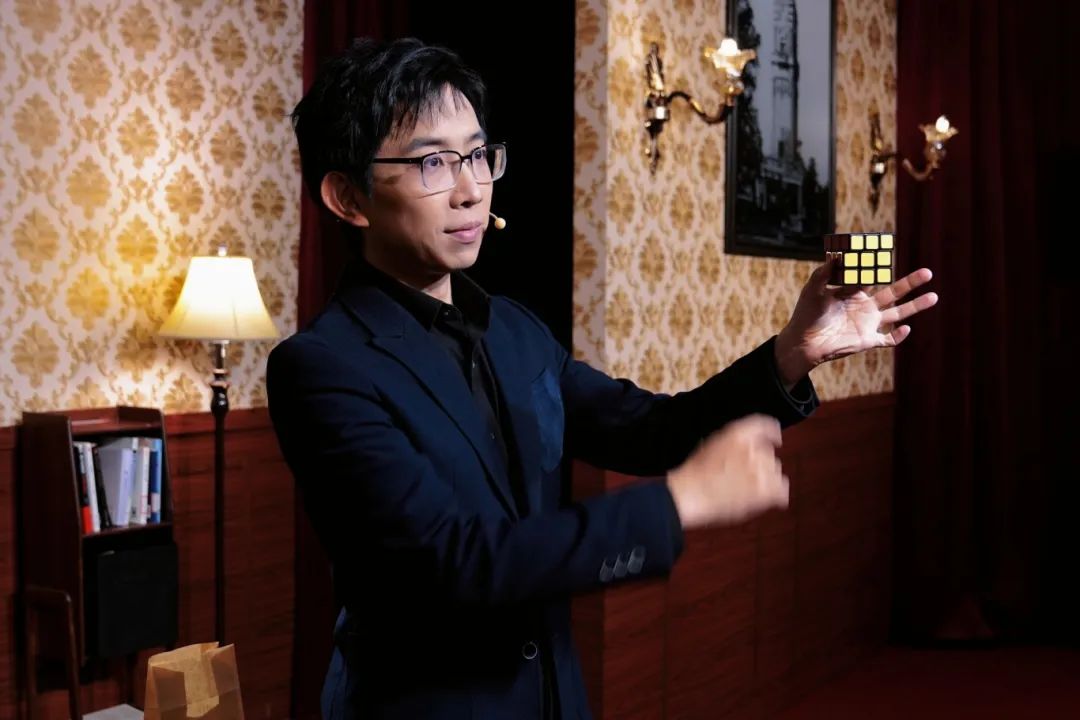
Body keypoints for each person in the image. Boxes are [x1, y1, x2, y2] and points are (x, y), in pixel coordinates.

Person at [267, 37, 938, 720]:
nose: (470, 190)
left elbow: (649, 429)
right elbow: (449, 562)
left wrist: (796, 351)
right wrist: (677, 504)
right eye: (433, 162)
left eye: (477, 155)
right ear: (348, 197)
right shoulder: (322, 367)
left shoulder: (514, 329)